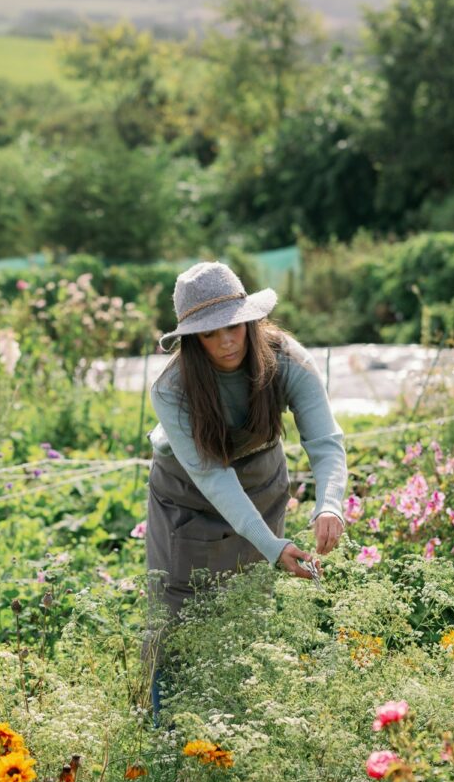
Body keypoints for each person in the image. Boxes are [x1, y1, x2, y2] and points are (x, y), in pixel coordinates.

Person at [142, 259, 347, 721]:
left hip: (259, 483)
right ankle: (168, 733)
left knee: (248, 605)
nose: (226, 341)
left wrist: (328, 503)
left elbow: (325, 440)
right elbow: (212, 475)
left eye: (233, 326)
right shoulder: (172, 386)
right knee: (178, 615)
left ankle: (238, 724)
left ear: (250, 319)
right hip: (187, 498)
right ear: (193, 337)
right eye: (210, 333)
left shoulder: (286, 359)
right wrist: (274, 545)